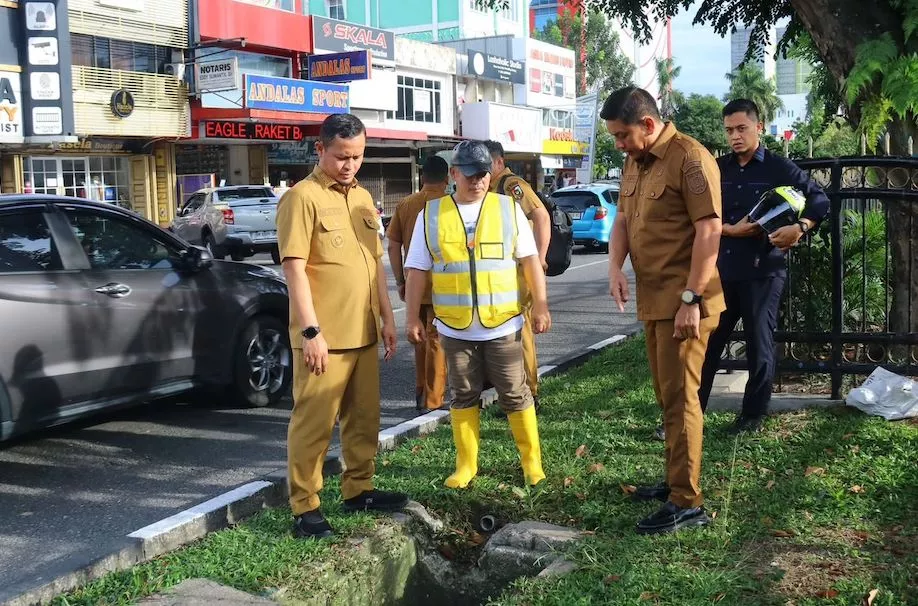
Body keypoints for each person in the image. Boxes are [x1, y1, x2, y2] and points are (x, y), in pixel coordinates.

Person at [276, 113, 408, 540]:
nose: (349, 164)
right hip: (324, 339)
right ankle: (305, 508)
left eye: (357, 156)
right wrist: (310, 333)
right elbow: (294, 270)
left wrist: (388, 318)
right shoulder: (302, 198)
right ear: (321, 150)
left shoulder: (364, 199)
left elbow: (373, 266)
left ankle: (359, 488)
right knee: (313, 425)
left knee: (364, 419)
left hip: (364, 332)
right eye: (341, 156)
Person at [603, 87, 725, 534]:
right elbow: (621, 220)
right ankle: (676, 479)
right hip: (654, 302)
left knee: (680, 399)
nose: (619, 144)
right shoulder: (634, 161)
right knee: (666, 397)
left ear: (649, 125)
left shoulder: (690, 158)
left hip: (686, 302)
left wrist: (692, 299)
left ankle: (687, 500)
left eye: (622, 135)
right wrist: (615, 266)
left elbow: (709, 231)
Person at [404, 141, 552, 489]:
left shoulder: (508, 209)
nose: (477, 181)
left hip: (503, 324)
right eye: (469, 175)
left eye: (483, 174)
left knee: (516, 394)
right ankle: (466, 465)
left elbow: (530, 260)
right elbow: (416, 271)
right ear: (454, 174)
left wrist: (542, 304)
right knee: (463, 395)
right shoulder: (432, 214)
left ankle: (532, 464)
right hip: (456, 329)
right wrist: (411, 318)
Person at [697, 99, 829, 433]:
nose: (735, 137)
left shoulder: (780, 168)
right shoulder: (717, 168)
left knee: (760, 344)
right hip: (721, 271)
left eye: (741, 128)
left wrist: (800, 228)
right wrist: (729, 230)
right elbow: (699, 216)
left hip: (763, 271)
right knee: (706, 345)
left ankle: (753, 415)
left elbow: (819, 200)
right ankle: (689, 414)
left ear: (759, 126)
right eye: (729, 130)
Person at [484, 140, 551, 410]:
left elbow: (541, 216)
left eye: (486, 163)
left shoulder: (511, 185)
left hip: (519, 270)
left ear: (499, 162)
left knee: (520, 330)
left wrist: (539, 258)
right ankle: (512, 392)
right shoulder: (491, 187)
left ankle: (529, 394)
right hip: (503, 271)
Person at [387, 155, 450, 411]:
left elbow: (393, 246)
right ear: (448, 179)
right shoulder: (451, 205)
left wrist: (401, 280)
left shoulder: (406, 204)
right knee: (437, 340)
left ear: (422, 178)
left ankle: (421, 390)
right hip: (445, 286)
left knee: (419, 338)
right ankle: (434, 401)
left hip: (415, 282)